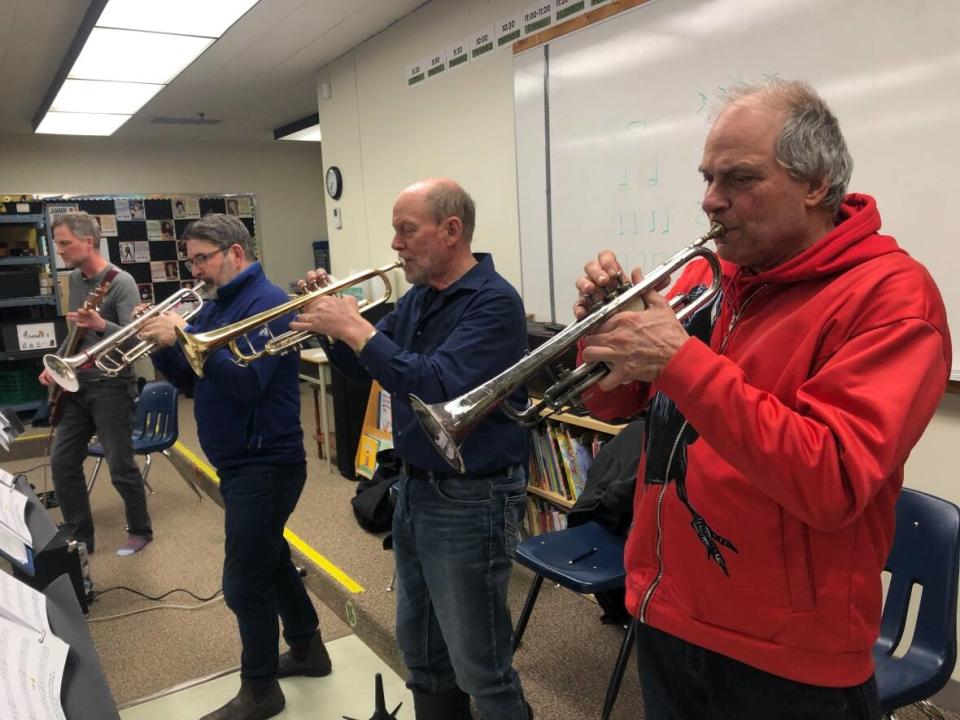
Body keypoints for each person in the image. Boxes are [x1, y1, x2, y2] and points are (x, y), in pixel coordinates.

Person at [574, 79, 951, 719]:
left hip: (789, 657)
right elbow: (615, 408)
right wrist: (603, 338)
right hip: (668, 612)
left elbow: (829, 477)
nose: (711, 202)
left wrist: (679, 359)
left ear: (816, 183)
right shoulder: (705, 276)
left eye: (740, 179)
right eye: (708, 178)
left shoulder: (892, 298)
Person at [291, 178, 533, 720]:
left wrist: (358, 329)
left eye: (406, 231)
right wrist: (335, 326)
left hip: (472, 498)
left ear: (451, 231)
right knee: (420, 650)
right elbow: (370, 371)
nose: (396, 245)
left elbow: (434, 383)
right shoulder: (421, 296)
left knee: (481, 667)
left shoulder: (494, 303)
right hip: (417, 489)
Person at [139, 214, 329, 720]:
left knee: (245, 580)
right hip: (239, 459)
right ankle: (310, 649)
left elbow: (246, 385)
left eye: (202, 258)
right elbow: (193, 382)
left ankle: (261, 690)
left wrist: (182, 334)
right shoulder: (216, 305)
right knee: (268, 556)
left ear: (235, 254)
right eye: (192, 260)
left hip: (267, 462)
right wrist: (166, 346)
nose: (195, 270)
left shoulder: (266, 303)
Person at [39, 211, 153, 557]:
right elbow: (77, 333)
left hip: (111, 387)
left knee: (120, 465)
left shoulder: (121, 282)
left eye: (65, 243)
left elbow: (136, 342)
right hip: (76, 386)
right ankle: (79, 536)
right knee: (62, 461)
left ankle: (140, 528)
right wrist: (55, 364)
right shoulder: (75, 280)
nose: (60, 250)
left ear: (88, 242)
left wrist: (103, 324)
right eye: (57, 244)